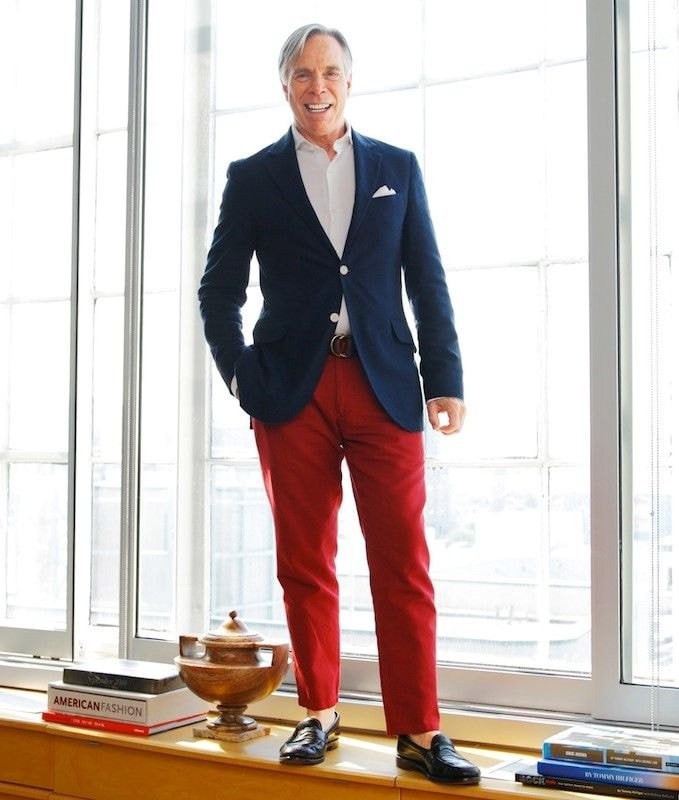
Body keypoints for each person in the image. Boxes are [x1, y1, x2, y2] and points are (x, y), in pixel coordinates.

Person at [198, 23, 481, 785]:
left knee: (402, 562)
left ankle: (419, 729)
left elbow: (426, 278)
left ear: (348, 82)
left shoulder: (396, 167)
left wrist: (445, 379)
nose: (315, 85)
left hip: (383, 384)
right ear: (284, 85)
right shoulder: (252, 177)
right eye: (301, 73)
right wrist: (239, 377)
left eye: (328, 72)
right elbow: (218, 291)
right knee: (304, 561)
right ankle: (317, 714)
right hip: (289, 390)